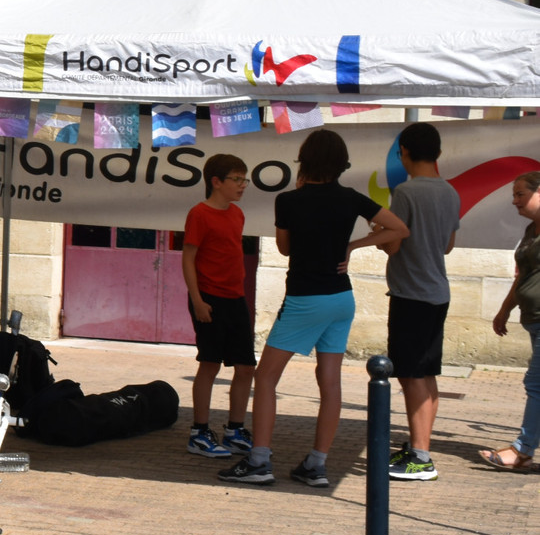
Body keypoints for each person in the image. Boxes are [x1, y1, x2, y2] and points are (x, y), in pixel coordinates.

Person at [220, 130, 409, 487]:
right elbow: (399, 228)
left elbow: (285, 248)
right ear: (341, 163)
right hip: (341, 298)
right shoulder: (351, 198)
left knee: (265, 378)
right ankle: (317, 464)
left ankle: (259, 460)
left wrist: (303, 197)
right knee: (330, 382)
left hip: (305, 297)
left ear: (304, 161)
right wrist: (353, 245)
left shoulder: (289, 200)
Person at [379, 122, 460, 481]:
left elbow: (395, 243)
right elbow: (447, 245)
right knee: (425, 374)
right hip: (437, 292)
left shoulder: (406, 192)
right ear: (438, 154)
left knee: (411, 376)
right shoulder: (450, 192)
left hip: (411, 293)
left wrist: (380, 238)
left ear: (404, 153)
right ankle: (418, 447)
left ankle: (422, 456)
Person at [181, 153, 255, 458]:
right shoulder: (199, 214)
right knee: (209, 364)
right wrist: (198, 300)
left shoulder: (237, 214)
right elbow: (188, 258)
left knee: (246, 366)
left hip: (235, 298)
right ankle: (199, 432)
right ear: (216, 182)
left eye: (244, 179)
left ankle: (235, 429)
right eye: (236, 179)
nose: (242, 185)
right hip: (208, 299)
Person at [479, 171, 540, 471]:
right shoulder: (531, 231)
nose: (514, 200)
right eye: (514, 194)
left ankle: (522, 450)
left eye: (521, 194)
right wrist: (505, 309)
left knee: (536, 383)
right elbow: (523, 277)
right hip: (534, 319)